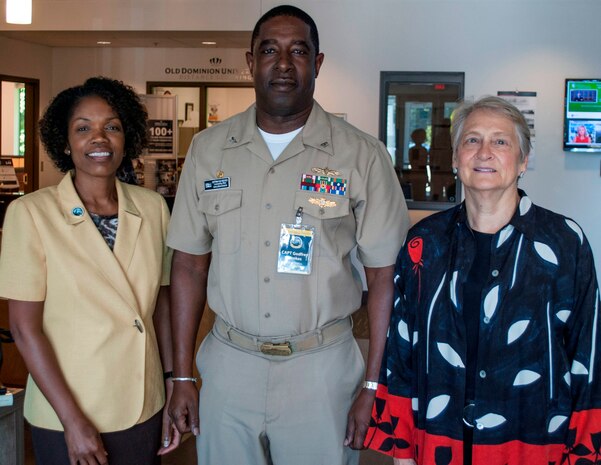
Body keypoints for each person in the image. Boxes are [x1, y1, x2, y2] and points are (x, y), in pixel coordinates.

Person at [166, 5, 409, 465]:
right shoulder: (209, 148)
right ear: (249, 62)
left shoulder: (361, 155)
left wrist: (375, 385)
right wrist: (182, 378)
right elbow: (188, 264)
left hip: (321, 370)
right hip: (229, 364)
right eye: (269, 50)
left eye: (298, 51)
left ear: (317, 64)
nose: (282, 64)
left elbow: (385, 279)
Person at [366, 95, 601, 465]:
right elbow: (402, 350)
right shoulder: (423, 244)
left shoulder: (564, 242)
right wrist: (403, 451)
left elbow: (588, 354)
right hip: (440, 440)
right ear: (457, 158)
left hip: (533, 444)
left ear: (523, 160)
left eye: (501, 141)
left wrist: (584, 453)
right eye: (472, 140)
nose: (484, 152)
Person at [0, 77, 180, 464]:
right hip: (69, 409)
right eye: (83, 128)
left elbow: (160, 307)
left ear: (126, 137)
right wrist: (73, 420)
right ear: (65, 143)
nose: (99, 139)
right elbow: (24, 328)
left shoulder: (152, 208)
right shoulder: (30, 214)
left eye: (111, 127)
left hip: (141, 401)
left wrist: (170, 384)